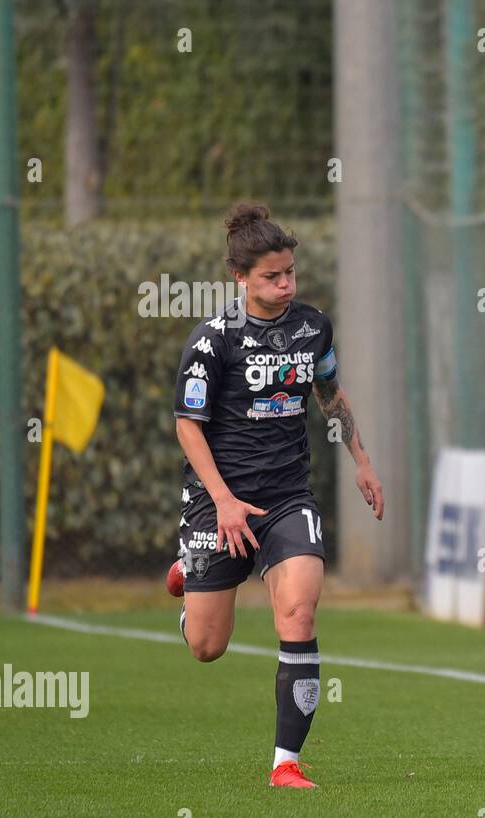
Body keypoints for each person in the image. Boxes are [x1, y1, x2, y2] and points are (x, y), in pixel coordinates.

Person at [166, 203, 384, 788]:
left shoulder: (313, 327)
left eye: (290, 273)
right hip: (220, 502)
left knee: (300, 611)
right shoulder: (213, 341)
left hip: (289, 496)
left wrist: (362, 461)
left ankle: (285, 763)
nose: (286, 285)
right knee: (207, 647)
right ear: (240, 277)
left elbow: (331, 394)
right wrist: (224, 501)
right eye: (272, 276)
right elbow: (188, 425)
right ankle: (190, 578)